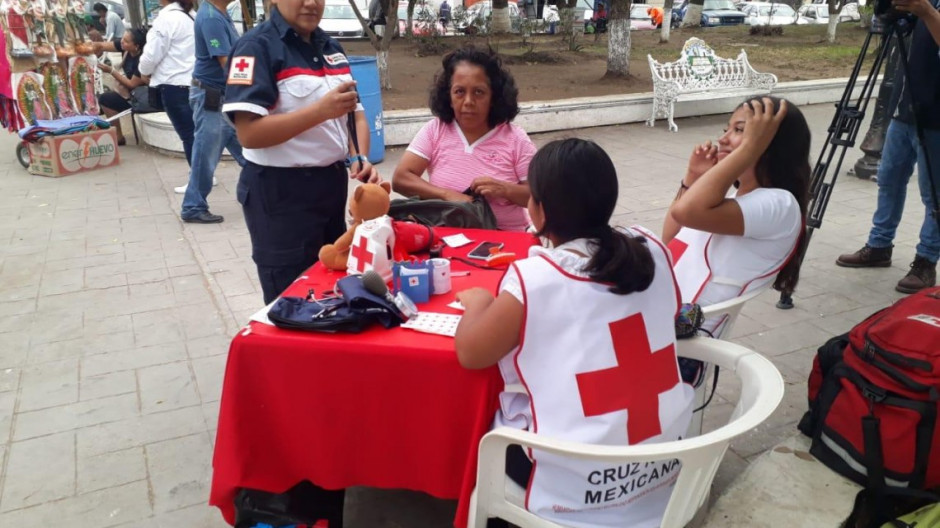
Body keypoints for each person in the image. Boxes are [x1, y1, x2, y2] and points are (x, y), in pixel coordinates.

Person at [454, 138, 692, 528]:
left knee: (493, 436)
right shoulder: (652, 248)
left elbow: (471, 353)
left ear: (540, 211)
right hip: (660, 464)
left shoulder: (535, 280)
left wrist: (479, 302)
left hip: (573, 486)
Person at [223, 0, 380, 304]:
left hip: (331, 187)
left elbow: (354, 113)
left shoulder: (330, 46)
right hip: (281, 195)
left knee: (335, 287)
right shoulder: (256, 48)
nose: (311, 3)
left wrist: (359, 155)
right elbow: (249, 134)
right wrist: (319, 111)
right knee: (292, 297)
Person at [663, 97, 810, 333]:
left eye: (739, 130)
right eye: (726, 129)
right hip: (660, 317)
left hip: (681, 341)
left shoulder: (779, 204)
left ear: (769, 141)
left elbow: (685, 212)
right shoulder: (731, 201)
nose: (722, 139)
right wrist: (693, 177)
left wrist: (751, 148)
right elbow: (671, 240)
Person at [835, 0, 940, 293]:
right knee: (889, 180)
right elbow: (897, 24)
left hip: (936, 119)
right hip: (905, 108)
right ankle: (879, 245)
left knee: (935, 195)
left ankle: (925, 262)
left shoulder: (929, 7)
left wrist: (928, 13)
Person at [392, 46, 536, 232]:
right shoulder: (436, 130)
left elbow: (537, 196)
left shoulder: (516, 139)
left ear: (494, 96)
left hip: (506, 240)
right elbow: (401, 178)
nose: (468, 101)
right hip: (446, 237)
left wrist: (504, 189)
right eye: (459, 92)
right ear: (449, 97)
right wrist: (446, 195)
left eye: (478, 92)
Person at [178, 0, 246, 224]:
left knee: (251, 153)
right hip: (212, 98)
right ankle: (193, 206)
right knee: (205, 156)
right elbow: (226, 63)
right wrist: (255, 85)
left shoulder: (221, 13)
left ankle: (259, 196)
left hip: (223, 96)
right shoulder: (211, 18)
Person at [139, 0, 196, 170]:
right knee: (196, 133)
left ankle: (199, 179)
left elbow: (151, 56)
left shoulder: (166, 19)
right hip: (195, 83)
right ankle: (204, 176)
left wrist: (143, 70)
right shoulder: (192, 16)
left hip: (175, 85)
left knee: (188, 135)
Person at [96, 29, 147, 146]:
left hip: (138, 99)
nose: (122, 42)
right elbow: (102, 45)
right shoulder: (126, 49)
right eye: (122, 39)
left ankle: (118, 136)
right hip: (128, 94)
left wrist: (111, 71)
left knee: (106, 99)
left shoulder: (142, 61)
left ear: (136, 46)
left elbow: (131, 84)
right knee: (100, 99)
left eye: (126, 41)